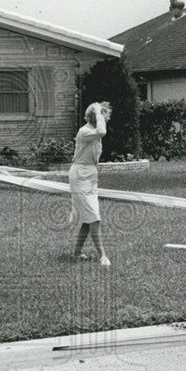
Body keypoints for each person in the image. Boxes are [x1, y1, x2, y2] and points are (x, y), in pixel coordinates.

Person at [69, 101, 112, 266]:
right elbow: (102, 131)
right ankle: (103, 255)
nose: (106, 119)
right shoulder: (85, 131)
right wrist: (96, 108)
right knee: (94, 216)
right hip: (80, 175)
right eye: (104, 115)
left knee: (88, 219)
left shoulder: (92, 132)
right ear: (96, 116)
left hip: (90, 174)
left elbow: (101, 131)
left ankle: (76, 253)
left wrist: (98, 110)